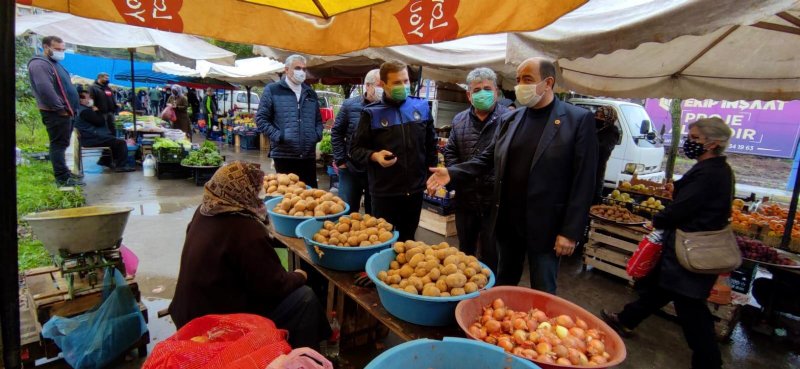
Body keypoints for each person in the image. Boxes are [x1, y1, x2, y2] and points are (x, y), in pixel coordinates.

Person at [427, 57, 598, 294]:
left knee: (543, 289)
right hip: (509, 223)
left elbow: (584, 180)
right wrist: (453, 172)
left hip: (546, 226)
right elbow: (487, 158)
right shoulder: (512, 119)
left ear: (548, 83)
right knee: (504, 283)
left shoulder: (577, 120)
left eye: (527, 79)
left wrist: (570, 231)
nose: (520, 85)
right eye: (518, 80)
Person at [601, 117, 734, 369]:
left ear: (714, 143)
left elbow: (683, 208)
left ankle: (709, 363)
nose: (689, 142)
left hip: (692, 251)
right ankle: (626, 319)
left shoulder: (710, 173)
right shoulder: (718, 169)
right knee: (660, 289)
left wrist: (658, 219)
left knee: (692, 310)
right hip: (685, 248)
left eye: (695, 138)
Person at [169, 162, 331, 349]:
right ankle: (301, 356)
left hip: (187, 311)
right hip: (213, 325)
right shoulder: (246, 230)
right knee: (305, 297)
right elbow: (273, 288)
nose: (259, 194)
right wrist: (299, 275)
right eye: (257, 189)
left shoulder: (206, 210)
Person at [350, 60, 437, 241]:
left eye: (406, 81)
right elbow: (355, 150)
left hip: (414, 191)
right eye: (397, 82)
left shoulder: (421, 107)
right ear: (383, 84)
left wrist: (431, 178)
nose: (403, 86)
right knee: (382, 240)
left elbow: (430, 146)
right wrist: (374, 156)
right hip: (384, 192)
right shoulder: (371, 113)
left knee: (408, 241)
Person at [443, 68, 508, 273]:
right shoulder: (459, 120)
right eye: (477, 90)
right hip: (466, 199)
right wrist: (458, 178)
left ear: (496, 92)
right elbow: (450, 152)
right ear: (469, 95)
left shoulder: (509, 120)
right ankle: (466, 296)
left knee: (491, 254)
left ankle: (489, 297)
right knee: (465, 253)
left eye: (487, 88)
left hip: (495, 202)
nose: (482, 93)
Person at [256, 55, 323, 188]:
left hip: (307, 155)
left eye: (304, 69)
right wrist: (279, 136)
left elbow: (318, 120)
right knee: (287, 196)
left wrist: (316, 135)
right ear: (286, 70)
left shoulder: (310, 93)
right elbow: (261, 119)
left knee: (310, 195)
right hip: (284, 155)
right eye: (298, 68)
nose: (302, 72)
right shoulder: (273, 90)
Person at [28, 35, 84, 187]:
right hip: (56, 113)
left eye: (63, 49)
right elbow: (45, 89)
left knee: (63, 144)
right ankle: (62, 177)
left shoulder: (55, 64)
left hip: (67, 112)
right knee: (58, 145)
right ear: (46, 47)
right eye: (57, 49)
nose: (61, 52)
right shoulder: (39, 64)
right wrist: (60, 109)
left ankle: (65, 172)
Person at [331, 69, 381, 214]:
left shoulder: (387, 108)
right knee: (346, 210)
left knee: (375, 214)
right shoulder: (350, 105)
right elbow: (336, 132)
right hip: (351, 168)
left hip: (376, 170)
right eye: (379, 85)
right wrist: (341, 160)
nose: (382, 90)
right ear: (368, 86)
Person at [74, 90, 135, 172]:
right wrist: (97, 111)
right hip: (91, 138)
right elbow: (100, 122)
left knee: (111, 139)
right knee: (121, 143)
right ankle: (121, 166)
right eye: (88, 98)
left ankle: (104, 161)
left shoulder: (79, 109)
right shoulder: (85, 111)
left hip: (87, 137)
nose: (90, 100)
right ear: (81, 100)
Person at [594, 105, 621, 204]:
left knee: (592, 200)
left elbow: (604, 150)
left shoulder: (612, 131)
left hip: (596, 171)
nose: (598, 118)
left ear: (610, 118)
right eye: (597, 115)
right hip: (583, 168)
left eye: (602, 116)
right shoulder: (592, 128)